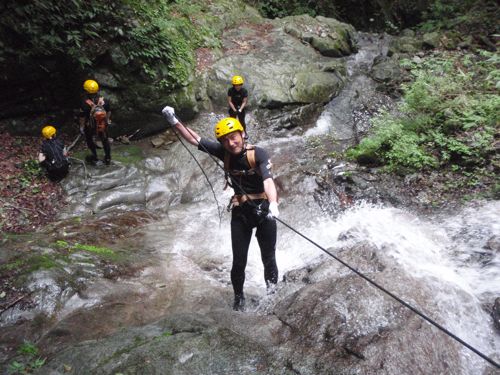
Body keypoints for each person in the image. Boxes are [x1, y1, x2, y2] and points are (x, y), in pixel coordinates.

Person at [162, 106, 280, 311]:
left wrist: (274, 204)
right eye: (225, 140)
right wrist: (174, 121)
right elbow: (195, 139)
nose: (230, 143)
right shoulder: (223, 152)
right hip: (241, 213)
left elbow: (268, 181)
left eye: (233, 137)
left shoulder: (258, 153)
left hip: (264, 211)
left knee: (268, 257)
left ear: (242, 134)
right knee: (239, 261)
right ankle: (239, 299)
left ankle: (272, 295)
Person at [79, 79, 112, 165]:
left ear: (86, 91)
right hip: (102, 125)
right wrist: (107, 120)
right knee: (105, 140)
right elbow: (108, 111)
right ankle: (108, 157)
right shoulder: (104, 100)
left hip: (90, 126)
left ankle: (95, 157)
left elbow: (82, 116)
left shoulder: (84, 102)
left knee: (89, 140)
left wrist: (82, 126)